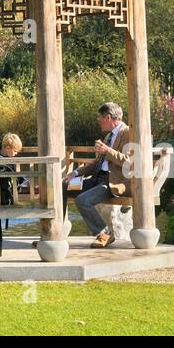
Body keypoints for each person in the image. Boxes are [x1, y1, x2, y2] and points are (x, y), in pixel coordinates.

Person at [73, 102, 132, 247]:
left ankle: (105, 233)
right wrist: (75, 173)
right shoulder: (108, 137)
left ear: (108, 117)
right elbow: (96, 163)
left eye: (100, 118)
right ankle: (55, 233)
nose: (98, 121)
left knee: (82, 200)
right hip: (97, 179)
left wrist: (107, 151)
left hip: (113, 183)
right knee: (62, 187)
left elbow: (128, 163)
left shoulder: (129, 133)